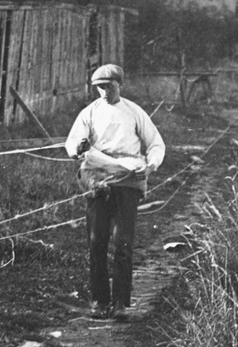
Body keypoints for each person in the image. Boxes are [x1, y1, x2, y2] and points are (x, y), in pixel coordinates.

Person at [65, 64, 165, 321]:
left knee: (123, 243)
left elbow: (156, 144)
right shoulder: (90, 113)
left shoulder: (134, 112)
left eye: (109, 86)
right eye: (100, 88)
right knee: (97, 242)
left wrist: (150, 166)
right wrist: (79, 147)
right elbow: (72, 144)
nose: (104, 92)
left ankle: (120, 302)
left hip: (127, 180)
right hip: (98, 180)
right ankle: (100, 301)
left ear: (120, 85)